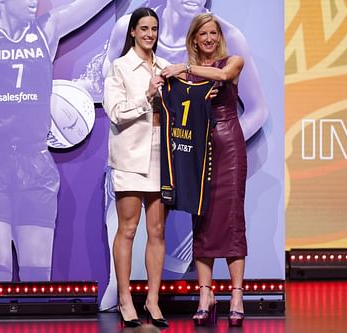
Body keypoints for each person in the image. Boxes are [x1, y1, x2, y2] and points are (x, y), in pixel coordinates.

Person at [0, 0, 113, 282]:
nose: (32, 1)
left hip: (34, 160)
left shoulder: (48, 29)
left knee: (38, 279)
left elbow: (92, 4)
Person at [161, 13, 247, 327]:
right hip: (198, 150)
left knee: (232, 219)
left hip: (229, 148)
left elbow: (223, 78)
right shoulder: (186, 77)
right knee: (203, 221)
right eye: (203, 34)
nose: (209, 38)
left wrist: (182, 68)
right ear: (194, 39)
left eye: (213, 33)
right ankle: (205, 295)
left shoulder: (232, 62)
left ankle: (236, 295)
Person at [104, 0, 268, 140]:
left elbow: (257, 111)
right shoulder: (127, 28)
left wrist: (211, 147)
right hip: (135, 155)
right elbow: (111, 94)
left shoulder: (228, 36)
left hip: (189, 161)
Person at [103, 7, 169, 328]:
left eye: (154, 29)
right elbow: (115, 112)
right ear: (132, 32)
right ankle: (125, 299)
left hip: (161, 157)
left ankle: (153, 301)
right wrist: (147, 96)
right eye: (143, 28)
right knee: (128, 230)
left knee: (157, 231)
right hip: (131, 158)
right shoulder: (119, 68)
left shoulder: (166, 67)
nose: (149, 34)